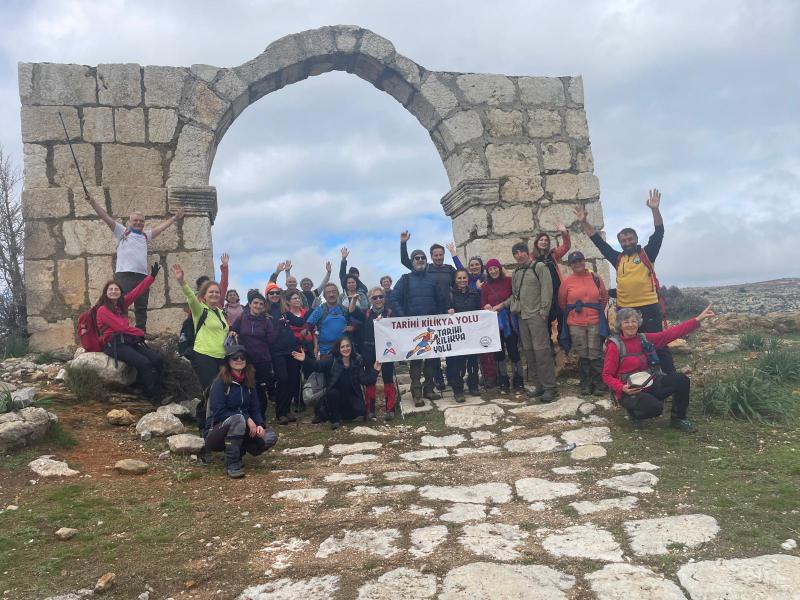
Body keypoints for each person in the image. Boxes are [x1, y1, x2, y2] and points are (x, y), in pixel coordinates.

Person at [575, 189, 674, 373]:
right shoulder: (618, 258)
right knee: (630, 346)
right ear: (620, 242)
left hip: (648, 307)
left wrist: (655, 209)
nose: (627, 242)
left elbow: (659, 231)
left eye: (630, 239)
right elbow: (599, 242)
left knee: (659, 344)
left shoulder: (647, 253)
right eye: (623, 240)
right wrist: (584, 222)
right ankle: (638, 378)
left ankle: (671, 379)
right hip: (626, 309)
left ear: (636, 239)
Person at [83, 190, 185, 331]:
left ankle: (140, 333)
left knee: (141, 307)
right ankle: (116, 330)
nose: (138, 223)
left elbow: (160, 229)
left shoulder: (145, 236)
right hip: (124, 275)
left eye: (141, 221)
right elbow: (105, 217)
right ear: (129, 222)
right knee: (118, 304)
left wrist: (174, 218)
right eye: (135, 220)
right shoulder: (122, 232)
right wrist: (92, 201)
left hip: (142, 276)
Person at [603, 304, 714, 432]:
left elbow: (670, 334)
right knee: (656, 408)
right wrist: (622, 388)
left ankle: (678, 418)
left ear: (638, 323)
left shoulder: (644, 339)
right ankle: (635, 413)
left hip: (650, 383)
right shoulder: (614, 346)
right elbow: (606, 375)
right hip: (629, 391)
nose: (631, 325)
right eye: (626, 322)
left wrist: (697, 320)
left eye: (634, 321)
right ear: (620, 325)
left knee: (681, 380)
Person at [205, 345, 278, 478]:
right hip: (217, 431)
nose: (239, 360)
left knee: (270, 436)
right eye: (235, 357)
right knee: (238, 419)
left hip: (242, 429)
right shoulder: (219, 383)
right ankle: (232, 463)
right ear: (228, 361)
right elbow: (219, 411)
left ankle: (239, 451)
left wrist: (260, 424)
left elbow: (255, 408)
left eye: (242, 357)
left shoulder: (249, 382)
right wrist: (246, 418)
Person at [171, 263, 228, 431]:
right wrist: (182, 281)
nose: (215, 294)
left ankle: (203, 418)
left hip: (221, 356)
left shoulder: (220, 312)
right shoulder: (199, 309)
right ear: (204, 295)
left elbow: (223, 331)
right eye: (211, 292)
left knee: (220, 390)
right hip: (204, 355)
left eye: (217, 292)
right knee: (211, 390)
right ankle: (209, 426)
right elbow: (189, 296)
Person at [94, 263, 163, 402]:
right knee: (144, 363)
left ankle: (158, 389)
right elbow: (120, 327)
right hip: (113, 344)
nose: (114, 291)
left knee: (157, 359)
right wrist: (139, 332)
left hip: (127, 341)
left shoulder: (121, 304)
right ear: (105, 293)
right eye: (110, 289)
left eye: (116, 289)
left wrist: (151, 277)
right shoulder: (103, 310)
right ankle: (153, 397)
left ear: (120, 292)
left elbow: (138, 291)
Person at [391, 248, 448, 406]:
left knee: (431, 360)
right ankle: (416, 393)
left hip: (431, 328)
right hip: (413, 329)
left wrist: (441, 316)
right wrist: (404, 317)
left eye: (423, 257)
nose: (420, 260)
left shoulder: (432, 279)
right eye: (417, 258)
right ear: (412, 261)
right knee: (416, 361)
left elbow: (441, 300)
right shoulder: (405, 279)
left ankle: (429, 389)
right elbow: (394, 299)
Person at [400, 231, 455, 391]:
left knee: (439, 352)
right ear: (431, 256)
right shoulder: (423, 269)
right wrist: (403, 244)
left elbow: (461, 276)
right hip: (418, 320)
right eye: (435, 255)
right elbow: (406, 260)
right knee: (422, 355)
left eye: (440, 254)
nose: (438, 257)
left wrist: (455, 255)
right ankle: (426, 386)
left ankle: (440, 383)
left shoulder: (449, 269)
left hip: (440, 316)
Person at [292, 336, 380, 430]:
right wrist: (305, 359)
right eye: (343, 347)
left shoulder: (356, 360)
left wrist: (375, 370)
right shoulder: (331, 359)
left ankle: (331, 413)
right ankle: (334, 420)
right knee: (333, 393)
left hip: (350, 395)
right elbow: (317, 366)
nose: (346, 349)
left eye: (348, 346)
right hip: (334, 394)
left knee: (360, 410)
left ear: (351, 347)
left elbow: (365, 380)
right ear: (338, 348)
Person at [511, 242, 558, 402]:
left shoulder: (539, 267)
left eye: (521, 252)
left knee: (542, 352)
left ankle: (550, 388)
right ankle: (539, 386)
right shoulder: (516, 272)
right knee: (530, 353)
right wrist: (498, 306)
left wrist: (544, 312)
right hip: (522, 318)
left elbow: (547, 289)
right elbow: (514, 295)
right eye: (515, 253)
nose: (519, 255)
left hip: (536, 317)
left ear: (527, 252)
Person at [558, 251, 609, 395]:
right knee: (582, 353)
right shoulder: (567, 282)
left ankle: (599, 383)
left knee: (595, 352)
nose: (578, 264)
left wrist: (593, 311)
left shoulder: (595, 277)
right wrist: (575, 312)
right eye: (574, 262)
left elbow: (603, 297)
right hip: (575, 323)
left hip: (594, 321)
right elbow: (562, 302)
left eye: (580, 260)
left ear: (584, 261)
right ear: (570, 265)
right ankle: (586, 384)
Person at [351, 286, 397, 421]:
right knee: (370, 379)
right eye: (374, 297)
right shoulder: (366, 313)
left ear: (384, 298)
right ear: (370, 299)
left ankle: (390, 409)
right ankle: (370, 409)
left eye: (380, 297)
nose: (378, 299)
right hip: (369, 350)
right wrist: (354, 300)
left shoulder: (390, 313)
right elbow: (352, 311)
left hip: (387, 349)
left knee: (388, 378)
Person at [230, 290, 276, 420]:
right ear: (249, 304)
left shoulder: (266, 321)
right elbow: (233, 329)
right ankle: (247, 415)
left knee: (260, 389)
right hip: (245, 359)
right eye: (255, 303)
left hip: (262, 360)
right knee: (247, 387)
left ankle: (260, 417)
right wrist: (233, 332)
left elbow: (271, 341)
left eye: (261, 304)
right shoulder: (242, 317)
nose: (258, 306)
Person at [264, 282, 304, 425]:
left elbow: (299, 322)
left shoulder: (285, 311)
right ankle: (280, 413)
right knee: (283, 380)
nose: (275, 295)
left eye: (277, 293)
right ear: (267, 296)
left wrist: (313, 311)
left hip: (292, 350)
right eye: (271, 293)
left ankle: (287, 411)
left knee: (293, 380)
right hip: (277, 352)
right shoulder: (265, 312)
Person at [481, 258, 522, 391]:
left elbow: (515, 297)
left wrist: (501, 306)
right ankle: (503, 379)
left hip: (510, 321)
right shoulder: (486, 287)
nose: (493, 271)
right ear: (487, 271)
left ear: (499, 268)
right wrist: (486, 306)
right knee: (499, 352)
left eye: (495, 268)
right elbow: (483, 303)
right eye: (490, 269)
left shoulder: (509, 281)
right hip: (494, 324)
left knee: (513, 350)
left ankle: (518, 378)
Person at [531, 224, 571, 345]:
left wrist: (564, 233)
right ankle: (548, 347)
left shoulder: (553, 255)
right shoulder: (531, 258)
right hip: (543, 294)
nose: (544, 242)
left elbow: (566, 246)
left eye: (546, 240)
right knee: (546, 320)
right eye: (541, 240)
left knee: (562, 317)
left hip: (558, 291)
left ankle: (563, 343)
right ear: (537, 242)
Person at [447, 269, 481, 402]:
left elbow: (479, 310)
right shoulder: (450, 294)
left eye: (464, 278)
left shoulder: (474, 293)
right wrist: (448, 310)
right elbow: (446, 310)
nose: (462, 280)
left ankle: (473, 385)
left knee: (473, 361)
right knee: (458, 363)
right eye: (459, 278)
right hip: (458, 335)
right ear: (455, 280)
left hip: (472, 333)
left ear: (468, 279)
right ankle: (458, 389)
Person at [306, 283, 352, 357]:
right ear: (324, 296)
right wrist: (315, 345)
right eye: (328, 292)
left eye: (334, 292)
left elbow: (354, 323)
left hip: (344, 350)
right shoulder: (320, 310)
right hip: (326, 351)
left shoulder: (344, 309)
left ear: (338, 294)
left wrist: (352, 327)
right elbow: (309, 326)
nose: (331, 294)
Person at [286, 289, 313, 412]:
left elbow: (312, 330)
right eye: (294, 298)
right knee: (295, 375)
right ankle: (298, 401)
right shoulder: (286, 315)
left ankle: (312, 397)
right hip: (293, 348)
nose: (297, 300)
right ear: (288, 302)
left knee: (310, 373)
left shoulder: (306, 312)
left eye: (298, 298)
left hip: (307, 346)